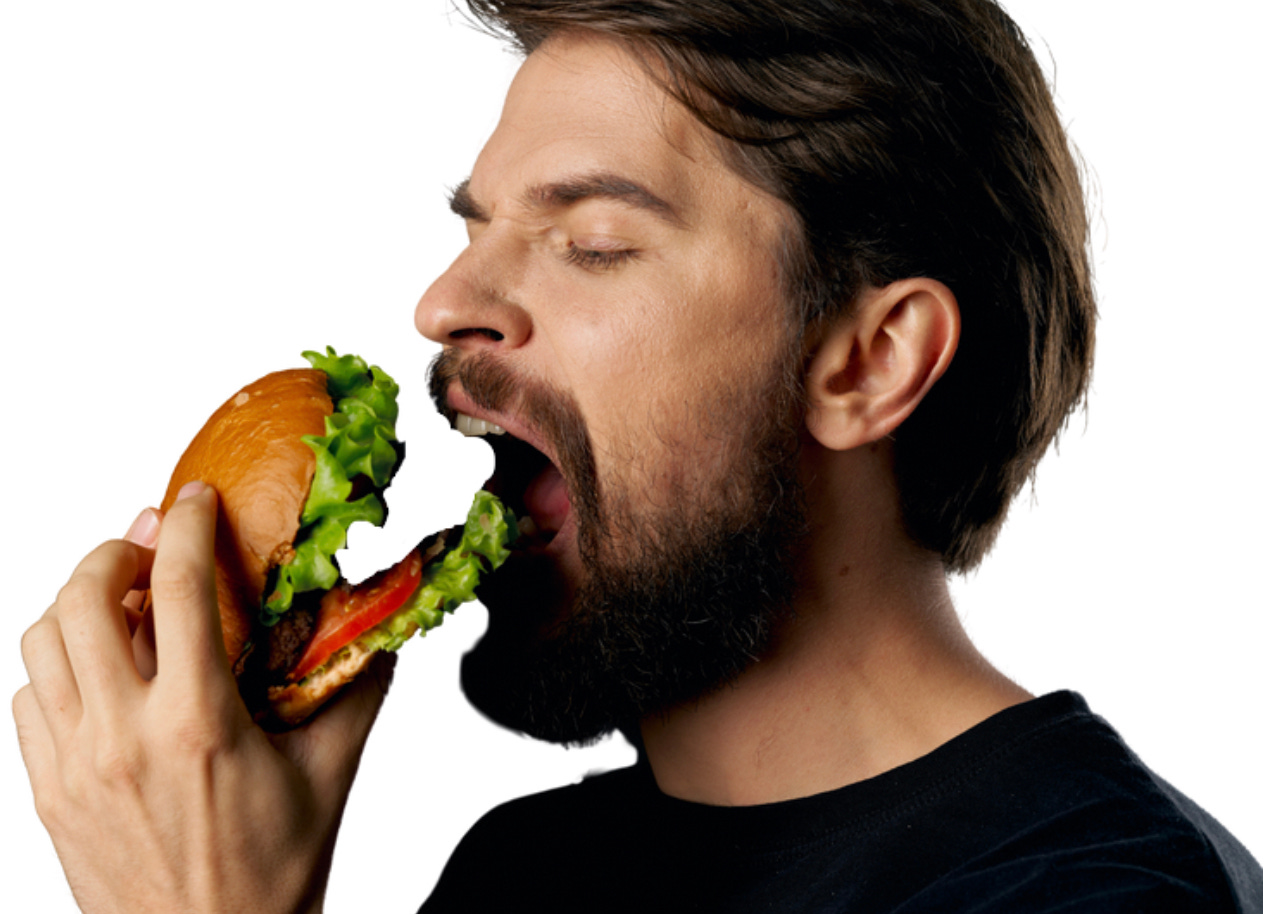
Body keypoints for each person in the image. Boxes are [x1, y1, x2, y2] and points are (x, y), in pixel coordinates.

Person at [12, 1, 1260, 912]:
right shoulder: (527, 876)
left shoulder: (1090, 893)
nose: (444, 303)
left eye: (593, 240)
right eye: (478, 232)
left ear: (869, 361)